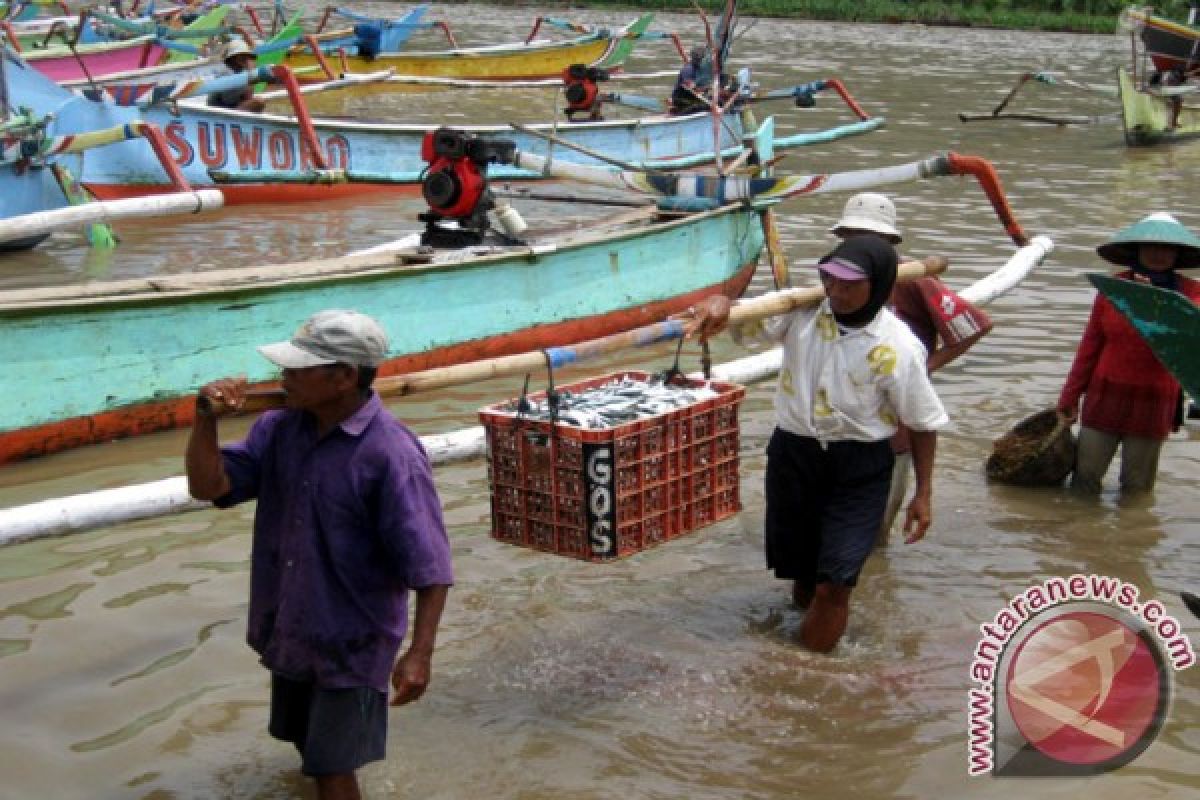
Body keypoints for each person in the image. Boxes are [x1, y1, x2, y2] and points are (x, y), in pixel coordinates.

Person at [185, 309, 454, 800]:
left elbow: (430, 567)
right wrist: (205, 419)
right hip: (293, 626)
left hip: (352, 641)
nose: (283, 377)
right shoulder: (279, 429)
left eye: (297, 369)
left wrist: (419, 654)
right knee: (309, 748)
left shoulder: (390, 454)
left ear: (344, 377)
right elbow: (209, 486)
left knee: (333, 769)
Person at [686, 236, 948, 653]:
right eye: (831, 280)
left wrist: (924, 494)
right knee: (802, 571)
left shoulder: (898, 348)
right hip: (795, 454)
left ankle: (806, 671)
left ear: (877, 286)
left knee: (836, 584)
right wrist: (721, 303)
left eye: (850, 285)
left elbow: (923, 422)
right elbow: (743, 319)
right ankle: (795, 648)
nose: (837, 292)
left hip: (860, 466)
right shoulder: (801, 311)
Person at [828, 193, 993, 540]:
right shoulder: (836, 279)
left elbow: (972, 325)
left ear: (888, 243)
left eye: (868, 239)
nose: (858, 246)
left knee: (871, 536)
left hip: (892, 422)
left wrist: (925, 366)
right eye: (851, 238)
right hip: (840, 425)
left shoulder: (913, 280)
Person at [1057, 212, 1200, 493]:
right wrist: (1069, 397)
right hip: (1105, 393)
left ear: (1177, 254)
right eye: (1151, 247)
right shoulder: (1113, 290)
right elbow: (1089, 347)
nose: (1159, 254)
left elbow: (1191, 342)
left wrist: (1155, 305)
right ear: (1137, 250)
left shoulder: (1192, 294)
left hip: (1155, 398)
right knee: (1084, 479)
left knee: (1137, 487)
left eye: (1167, 249)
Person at [208, 38, 266, 112]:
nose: (245, 59)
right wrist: (251, 72)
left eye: (246, 56)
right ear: (233, 58)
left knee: (259, 102)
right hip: (219, 109)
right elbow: (228, 100)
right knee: (258, 102)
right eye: (242, 56)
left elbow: (248, 97)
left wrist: (250, 72)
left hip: (230, 106)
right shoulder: (226, 73)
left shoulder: (241, 72)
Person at [671, 46, 711, 115]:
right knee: (706, 106)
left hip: (691, 98)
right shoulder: (688, 70)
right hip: (681, 99)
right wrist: (709, 87)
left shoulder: (700, 69)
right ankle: (679, 113)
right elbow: (692, 89)